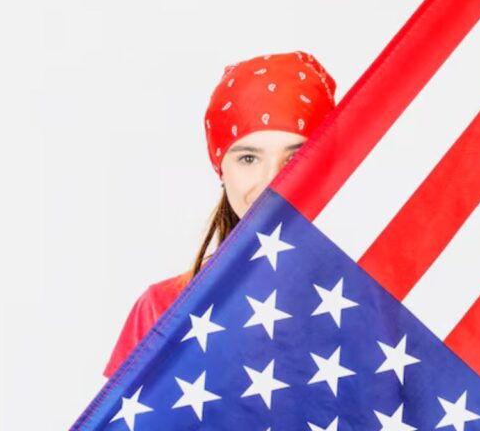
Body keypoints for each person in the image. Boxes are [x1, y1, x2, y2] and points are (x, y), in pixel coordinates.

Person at [103, 51, 337, 378]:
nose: (273, 181)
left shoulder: (369, 306)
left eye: (296, 157)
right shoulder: (163, 309)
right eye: (248, 159)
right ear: (221, 169)